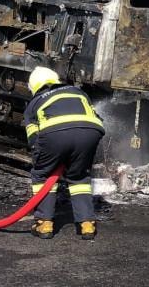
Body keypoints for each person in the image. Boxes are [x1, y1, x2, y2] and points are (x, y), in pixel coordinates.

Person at [24, 66, 106, 240]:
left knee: (42, 175)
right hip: (90, 133)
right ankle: (87, 224)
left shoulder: (35, 102)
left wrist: (44, 157)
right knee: (79, 177)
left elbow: (33, 138)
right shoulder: (77, 91)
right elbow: (95, 117)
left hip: (55, 135)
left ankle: (44, 223)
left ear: (35, 86)